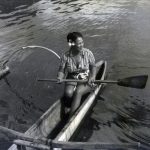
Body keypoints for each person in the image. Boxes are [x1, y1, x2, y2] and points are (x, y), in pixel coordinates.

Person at [57, 32, 96, 117]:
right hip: (72, 77)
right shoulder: (65, 56)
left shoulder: (88, 53)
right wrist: (60, 77)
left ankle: (71, 118)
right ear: (72, 44)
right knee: (68, 93)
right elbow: (61, 70)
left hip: (86, 78)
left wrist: (92, 76)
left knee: (78, 92)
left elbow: (93, 67)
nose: (82, 45)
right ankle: (73, 103)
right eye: (79, 43)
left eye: (82, 42)